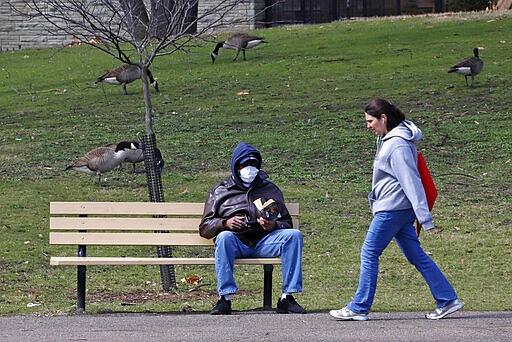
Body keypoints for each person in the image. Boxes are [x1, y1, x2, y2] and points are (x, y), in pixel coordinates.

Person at [329, 99, 463, 321]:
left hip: (393, 209)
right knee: (416, 255)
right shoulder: (391, 139)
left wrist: (424, 217)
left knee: (369, 252)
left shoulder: (397, 144)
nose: (368, 126)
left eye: (370, 121)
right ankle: (447, 299)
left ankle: (359, 307)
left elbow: (411, 180)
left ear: (384, 118)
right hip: (397, 208)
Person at [199, 142, 306, 315]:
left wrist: (273, 225)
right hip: (236, 242)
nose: (249, 168)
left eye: (253, 164)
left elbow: (287, 223)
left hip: (264, 241)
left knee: (293, 236)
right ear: (236, 166)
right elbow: (205, 228)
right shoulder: (220, 191)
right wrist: (225, 223)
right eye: (244, 164)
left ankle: (287, 297)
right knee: (224, 237)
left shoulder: (269, 189)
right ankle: (224, 298)